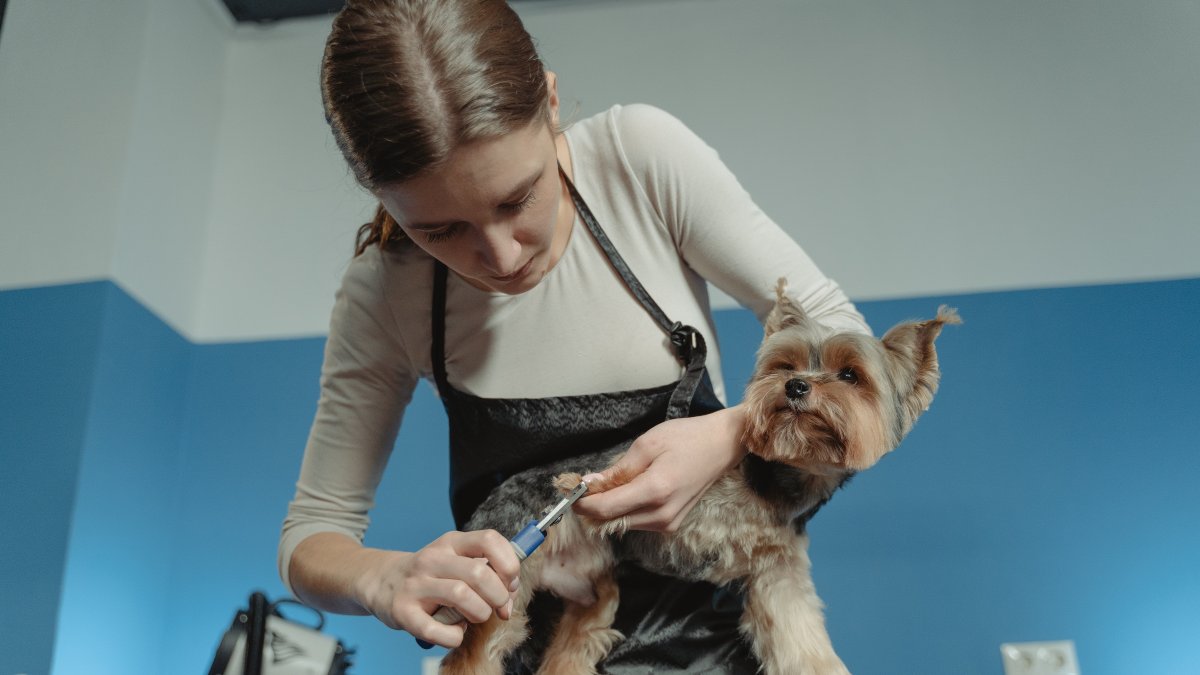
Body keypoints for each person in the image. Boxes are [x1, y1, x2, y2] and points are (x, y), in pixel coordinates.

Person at [280, 0, 870, 671]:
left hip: (715, 649)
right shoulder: (385, 289)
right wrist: (385, 579)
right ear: (383, 199)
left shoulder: (640, 162)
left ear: (551, 102)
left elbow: (846, 335)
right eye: (440, 231)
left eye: (516, 199)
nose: (501, 256)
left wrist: (730, 431)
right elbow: (312, 533)